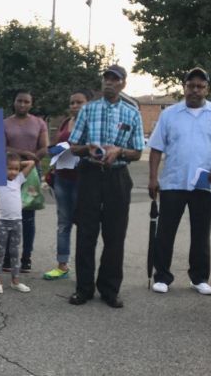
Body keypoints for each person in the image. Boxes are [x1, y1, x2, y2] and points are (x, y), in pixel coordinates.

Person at [148, 67, 211, 295]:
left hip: (204, 184)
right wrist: (152, 178)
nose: (195, 90)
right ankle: (162, 277)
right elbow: (156, 149)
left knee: (201, 232)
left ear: (207, 89)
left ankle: (199, 278)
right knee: (166, 231)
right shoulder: (169, 114)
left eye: (200, 86)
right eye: (191, 85)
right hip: (173, 182)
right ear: (184, 87)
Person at [67, 64, 144, 309]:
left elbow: (138, 151)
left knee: (115, 235)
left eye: (115, 79)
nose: (109, 82)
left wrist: (120, 150)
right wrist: (88, 148)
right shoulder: (88, 110)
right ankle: (84, 288)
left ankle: (110, 289)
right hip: (90, 174)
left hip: (117, 177)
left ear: (123, 84)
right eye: (106, 78)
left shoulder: (132, 113)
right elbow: (73, 145)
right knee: (86, 233)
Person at [43, 89, 91, 280]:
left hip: (82, 179)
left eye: (79, 102)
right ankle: (62, 265)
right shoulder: (65, 122)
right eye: (72, 103)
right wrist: (54, 151)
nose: (75, 106)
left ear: (88, 104)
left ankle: (84, 267)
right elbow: (56, 145)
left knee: (84, 223)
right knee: (63, 223)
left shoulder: (90, 125)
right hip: (62, 178)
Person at [3, 89, 49, 272]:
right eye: (19, 101)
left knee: (28, 217)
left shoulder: (39, 123)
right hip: (9, 171)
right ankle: (7, 257)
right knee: (9, 215)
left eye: (26, 101)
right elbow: (1, 145)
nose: (22, 104)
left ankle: (26, 257)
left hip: (31, 171)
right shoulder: (5, 123)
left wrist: (33, 159)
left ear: (31, 104)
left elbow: (44, 147)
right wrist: (21, 154)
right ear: (14, 102)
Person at [0, 153, 36, 294]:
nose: (14, 172)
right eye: (10, 168)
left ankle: (15, 281)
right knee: (0, 252)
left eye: (16, 169)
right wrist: (6, 164)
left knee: (15, 252)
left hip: (17, 222)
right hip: (3, 222)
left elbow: (31, 163)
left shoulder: (18, 180)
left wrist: (17, 163)